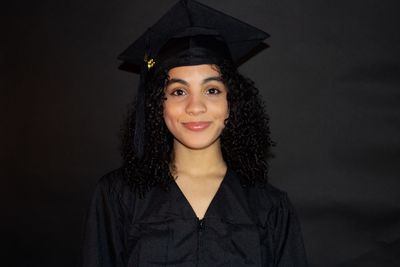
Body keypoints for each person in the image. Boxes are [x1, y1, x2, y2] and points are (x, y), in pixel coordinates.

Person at [81, 0, 308, 266]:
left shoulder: (269, 207)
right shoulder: (118, 197)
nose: (195, 107)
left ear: (231, 102)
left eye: (212, 90)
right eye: (178, 91)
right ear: (157, 104)